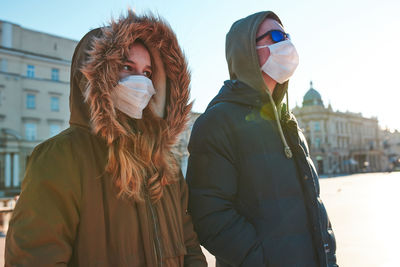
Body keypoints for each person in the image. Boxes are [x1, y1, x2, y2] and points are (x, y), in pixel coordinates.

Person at [5, 11, 207, 267]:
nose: (140, 82)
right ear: (95, 76)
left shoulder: (165, 164)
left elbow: (188, 245)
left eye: (147, 73)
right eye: (126, 67)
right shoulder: (60, 158)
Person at [186, 11, 338, 267]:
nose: (287, 44)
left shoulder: (288, 123)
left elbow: (314, 207)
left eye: (287, 36)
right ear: (247, 51)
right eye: (277, 36)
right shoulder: (216, 122)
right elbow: (209, 215)